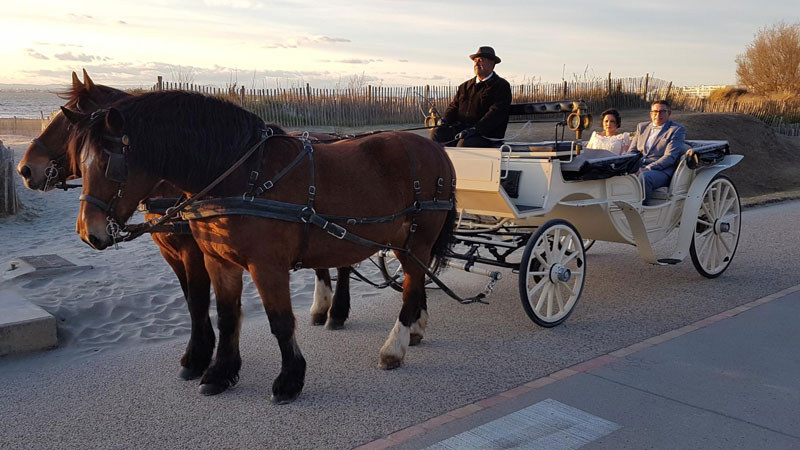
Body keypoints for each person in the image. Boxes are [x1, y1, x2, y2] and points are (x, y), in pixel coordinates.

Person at [430, 46, 512, 147]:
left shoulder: (501, 86)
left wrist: (475, 130)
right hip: (461, 131)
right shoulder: (464, 87)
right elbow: (453, 107)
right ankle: (441, 163)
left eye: (480, 60)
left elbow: (495, 114)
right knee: (437, 134)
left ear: (491, 63)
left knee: (464, 144)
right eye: (475, 61)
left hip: (486, 135)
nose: (476, 64)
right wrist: (445, 119)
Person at [628, 100, 686, 202]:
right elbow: (632, 151)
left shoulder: (676, 130)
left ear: (669, 113)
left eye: (662, 111)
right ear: (651, 114)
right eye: (655, 111)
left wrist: (648, 168)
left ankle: (642, 209)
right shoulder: (642, 127)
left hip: (661, 171)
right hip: (639, 166)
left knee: (645, 178)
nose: (658, 114)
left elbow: (670, 157)